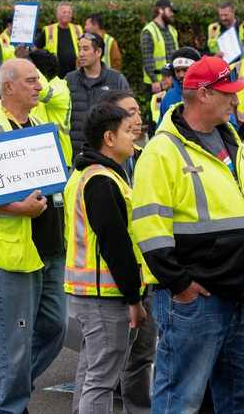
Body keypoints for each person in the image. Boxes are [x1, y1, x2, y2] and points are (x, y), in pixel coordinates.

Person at [132, 56, 244, 413]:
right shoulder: (162, 150)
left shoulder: (232, 141)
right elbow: (149, 228)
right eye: (229, 94)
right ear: (205, 95)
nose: (236, 101)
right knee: (181, 398)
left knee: (242, 399)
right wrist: (180, 285)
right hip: (197, 299)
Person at [0, 58, 67, 414]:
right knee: (15, 341)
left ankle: (12, 387)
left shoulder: (38, 125)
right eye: (31, 80)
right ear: (8, 87)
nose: (40, 86)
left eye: (38, 80)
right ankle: (9, 405)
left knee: (55, 328)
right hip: (12, 254)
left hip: (49, 247)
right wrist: (18, 210)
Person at [65, 101, 147, 414]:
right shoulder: (101, 180)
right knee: (101, 380)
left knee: (93, 374)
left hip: (95, 293)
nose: (134, 136)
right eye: (128, 130)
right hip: (105, 295)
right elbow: (116, 244)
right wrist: (134, 298)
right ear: (109, 138)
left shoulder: (94, 173)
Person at [65, 32, 129, 162]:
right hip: (76, 156)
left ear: (98, 52)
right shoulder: (68, 80)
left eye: (86, 49)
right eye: (79, 49)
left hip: (108, 156)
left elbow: (128, 115)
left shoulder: (116, 80)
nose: (81, 53)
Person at [29, 48, 74, 167]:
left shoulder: (61, 90)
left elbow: (44, 91)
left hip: (59, 158)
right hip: (40, 156)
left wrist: (30, 66)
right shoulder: (34, 92)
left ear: (44, 74)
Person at [34, 2, 84, 78]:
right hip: (55, 73)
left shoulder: (77, 29)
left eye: (69, 12)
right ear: (57, 15)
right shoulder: (49, 30)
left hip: (75, 71)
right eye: (64, 12)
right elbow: (35, 47)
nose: (67, 14)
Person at [141, 0, 179, 95]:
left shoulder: (172, 30)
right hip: (158, 82)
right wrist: (154, 80)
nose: (172, 14)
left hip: (172, 80)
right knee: (157, 110)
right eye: (170, 11)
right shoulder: (149, 31)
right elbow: (147, 59)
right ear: (160, 10)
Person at [157, 46, 202, 128]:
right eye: (177, 71)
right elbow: (160, 128)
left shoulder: (208, 94)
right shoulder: (169, 96)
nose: (181, 75)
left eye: (185, 70)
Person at [147, 62, 173, 138]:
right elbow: (151, 128)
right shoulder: (157, 97)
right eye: (162, 75)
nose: (163, 79)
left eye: (167, 76)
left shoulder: (184, 96)